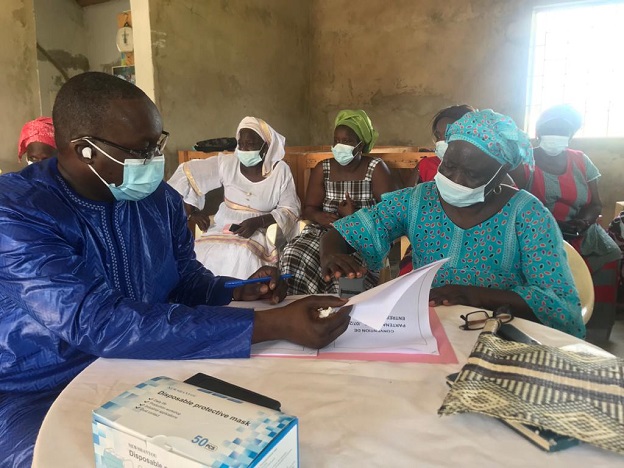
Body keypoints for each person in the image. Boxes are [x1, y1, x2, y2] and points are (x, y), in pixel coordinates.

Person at [0, 72, 350, 467]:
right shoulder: (19, 212)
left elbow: (184, 277)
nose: (155, 160)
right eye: (142, 150)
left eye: (157, 143)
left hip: (145, 362)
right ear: (85, 151)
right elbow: (97, 323)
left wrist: (232, 291)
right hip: (37, 388)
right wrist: (271, 325)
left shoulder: (157, 199)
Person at [320, 109, 585, 339]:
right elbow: (347, 231)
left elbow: (562, 308)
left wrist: (473, 296)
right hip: (428, 331)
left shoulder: (528, 216)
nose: (455, 179)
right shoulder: (419, 200)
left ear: (500, 174)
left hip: (498, 337)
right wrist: (332, 253)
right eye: (448, 166)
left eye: (472, 174)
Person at [511, 104, 621, 336]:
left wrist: (582, 222)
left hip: (578, 228)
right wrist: (548, 226)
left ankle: (596, 328)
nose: (556, 137)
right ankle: (545, 326)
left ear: (570, 136)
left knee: (610, 252)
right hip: (537, 231)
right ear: (539, 134)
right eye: (551, 131)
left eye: (563, 133)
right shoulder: (525, 163)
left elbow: (596, 204)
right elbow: (514, 201)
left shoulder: (581, 161)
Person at [279, 109, 397, 294]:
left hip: (364, 236)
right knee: (293, 254)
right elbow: (309, 209)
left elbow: (390, 215)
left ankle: (346, 314)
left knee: (345, 268)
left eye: (347, 141)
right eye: (337, 140)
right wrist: (321, 217)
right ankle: (303, 307)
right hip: (323, 231)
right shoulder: (323, 169)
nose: (340, 146)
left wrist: (353, 217)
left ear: (361, 144)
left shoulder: (375, 168)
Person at [168, 117, 300, 278]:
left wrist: (257, 222)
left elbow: (290, 209)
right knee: (200, 251)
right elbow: (187, 173)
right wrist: (191, 211)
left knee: (241, 253)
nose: (244, 149)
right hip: (224, 225)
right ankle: (208, 298)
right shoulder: (227, 163)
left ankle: (241, 296)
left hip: (261, 229)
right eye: (241, 143)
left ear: (265, 146)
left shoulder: (280, 170)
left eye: (250, 144)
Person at [400, 104, 476, 275]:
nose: (442, 142)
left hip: (475, 246)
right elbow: (403, 209)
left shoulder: (485, 169)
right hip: (429, 242)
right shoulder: (427, 166)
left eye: (448, 135)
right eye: (438, 136)